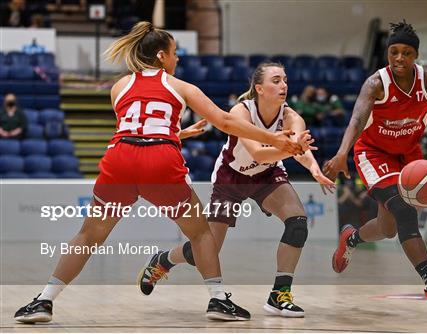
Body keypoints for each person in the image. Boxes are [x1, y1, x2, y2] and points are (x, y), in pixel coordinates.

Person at [14, 22, 304, 324]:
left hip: (120, 158)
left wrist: (177, 134)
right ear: (162, 56)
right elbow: (224, 122)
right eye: (175, 54)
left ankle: (43, 300)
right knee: (201, 233)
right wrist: (275, 138)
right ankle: (218, 300)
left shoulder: (119, 86)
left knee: (89, 234)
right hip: (160, 160)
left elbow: (139, 129)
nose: (178, 59)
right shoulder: (181, 86)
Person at [136, 62, 335, 318]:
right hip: (231, 178)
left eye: (285, 79)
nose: (283, 84)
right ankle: (163, 260)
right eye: (276, 80)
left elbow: (300, 148)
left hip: (267, 176)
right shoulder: (242, 111)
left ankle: (279, 295)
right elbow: (259, 153)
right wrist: (290, 149)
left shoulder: (292, 116)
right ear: (259, 88)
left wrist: (313, 168)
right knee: (205, 252)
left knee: (298, 224)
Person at [323, 20, 427, 311]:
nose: (399, 58)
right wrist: (343, 152)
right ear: (388, 54)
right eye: (394, 52)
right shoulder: (376, 83)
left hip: (408, 155)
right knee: (403, 209)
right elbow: (357, 119)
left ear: (415, 56)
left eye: (406, 53)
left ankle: (352, 238)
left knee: (388, 229)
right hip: (373, 154)